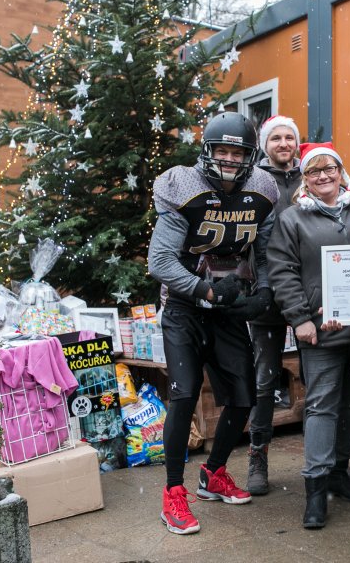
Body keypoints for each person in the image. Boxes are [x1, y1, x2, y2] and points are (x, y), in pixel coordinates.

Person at [148, 112, 279, 535]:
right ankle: (173, 493)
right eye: (220, 149)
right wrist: (203, 290)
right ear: (206, 151)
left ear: (249, 155)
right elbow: (161, 261)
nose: (227, 158)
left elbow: (270, 248)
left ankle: (214, 473)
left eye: (236, 151)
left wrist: (265, 292)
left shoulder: (262, 187)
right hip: (186, 306)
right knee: (184, 394)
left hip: (227, 306)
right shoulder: (182, 186)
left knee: (244, 395)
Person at [267, 142, 350, 529]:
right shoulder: (292, 219)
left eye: (331, 169)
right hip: (319, 330)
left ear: (342, 172)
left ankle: (339, 471)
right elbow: (282, 272)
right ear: (304, 180)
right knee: (322, 406)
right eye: (314, 171)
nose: (324, 176)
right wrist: (301, 318)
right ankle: (315, 488)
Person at [245, 115, 302, 496]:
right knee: (264, 379)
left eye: (289, 138)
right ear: (265, 144)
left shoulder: (314, 174)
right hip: (266, 292)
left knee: (317, 379)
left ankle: (329, 464)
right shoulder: (254, 181)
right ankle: (257, 458)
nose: (284, 143)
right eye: (276, 138)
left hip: (307, 291)